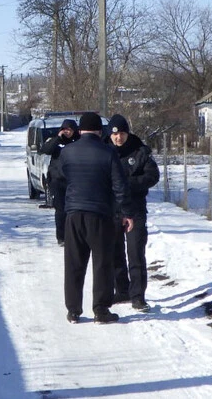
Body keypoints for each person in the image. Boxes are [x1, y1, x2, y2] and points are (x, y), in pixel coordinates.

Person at [57, 112, 134, 324]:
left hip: (73, 214)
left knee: (74, 264)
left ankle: (73, 311)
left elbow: (60, 177)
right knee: (102, 264)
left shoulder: (67, 152)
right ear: (100, 131)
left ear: (80, 130)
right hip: (100, 215)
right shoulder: (108, 153)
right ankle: (101, 310)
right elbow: (120, 186)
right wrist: (126, 212)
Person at [106, 114, 159, 312]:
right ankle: (122, 290)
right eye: (114, 134)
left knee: (135, 252)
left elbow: (152, 176)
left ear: (127, 133)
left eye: (121, 133)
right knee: (115, 252)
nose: (118, 138)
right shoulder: (104, 150)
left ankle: (138, 296)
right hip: (112, 209)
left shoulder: (140, 151)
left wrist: (128, 184)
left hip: (135, 209)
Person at [39, 119, 80, 246]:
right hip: (57, 181)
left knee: (74, 210)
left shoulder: (78, 142)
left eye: (70, 129)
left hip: (74, 181)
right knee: (60, 210)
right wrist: (58, 138)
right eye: (65, 129)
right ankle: (61, 237)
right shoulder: (56, 141)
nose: (67, 132)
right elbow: (46, 150)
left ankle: (74, 235)